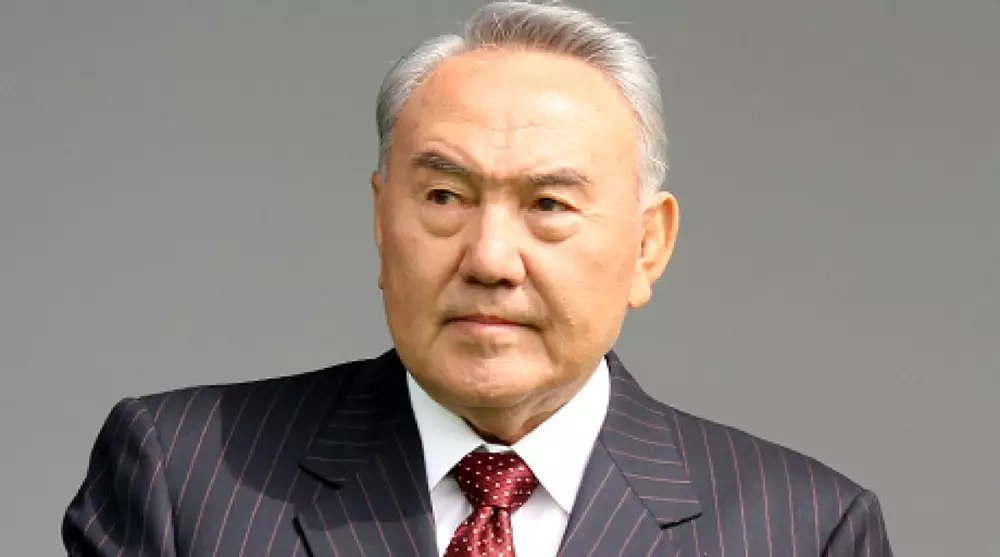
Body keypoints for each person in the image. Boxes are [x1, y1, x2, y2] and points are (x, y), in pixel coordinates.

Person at [62, 2, 893, 556]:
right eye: (445, 197)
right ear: (381, 218)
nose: (490, 259)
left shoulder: (804, 529)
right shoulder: (185, 477)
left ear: (649, 245)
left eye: (549, 203)